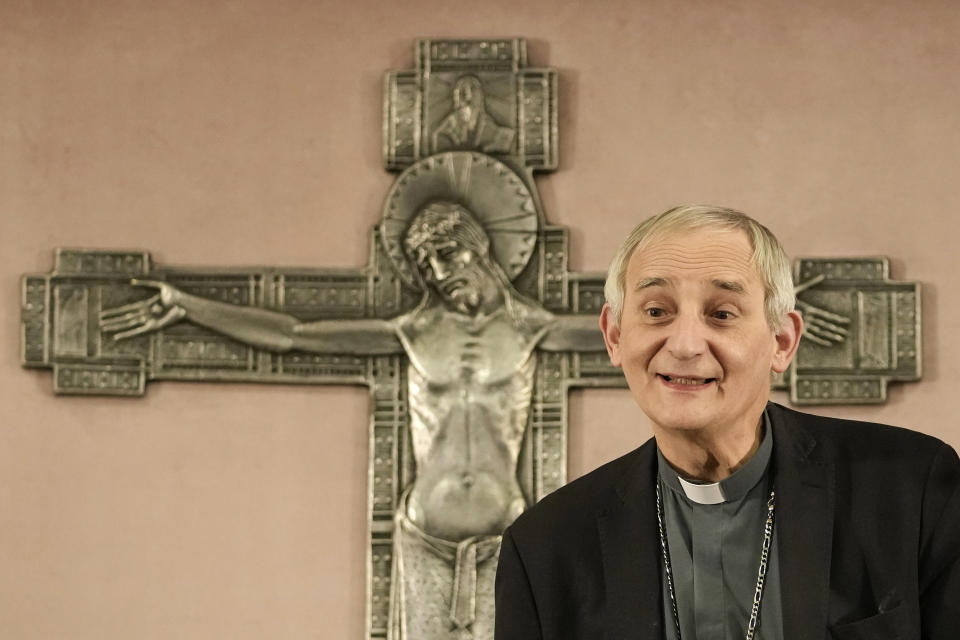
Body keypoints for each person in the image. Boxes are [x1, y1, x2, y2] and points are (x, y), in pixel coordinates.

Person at [101, 201, 602, 640]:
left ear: (480, 246)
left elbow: (636, 334)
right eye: (424, 264)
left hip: (505, 538)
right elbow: (293, 334)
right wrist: (188, 306)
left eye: (445, 254)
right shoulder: (412, 331)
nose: (436, 272)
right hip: (426, 537)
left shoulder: (535, 329)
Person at [494, 205, 960, 639]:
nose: (685, 344)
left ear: (782, 341)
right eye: (657, 311)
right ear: (615, 337)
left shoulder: (912, 489)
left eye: (721, 314)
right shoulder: (544, 548)